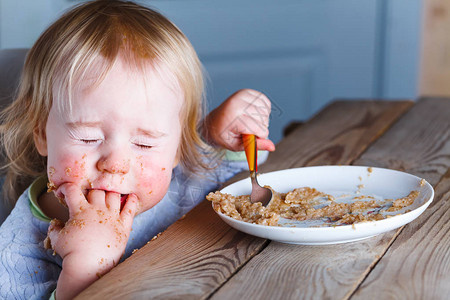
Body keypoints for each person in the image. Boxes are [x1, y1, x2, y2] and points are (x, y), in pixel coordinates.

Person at [0, 1, 275, 299]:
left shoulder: (183, 183)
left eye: (145, 143)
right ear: (41, 131)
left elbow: (237, 175)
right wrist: (85, 269)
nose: (116, 164)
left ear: (177, 148)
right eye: (89, 137)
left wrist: (220, 134)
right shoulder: (18, 250)